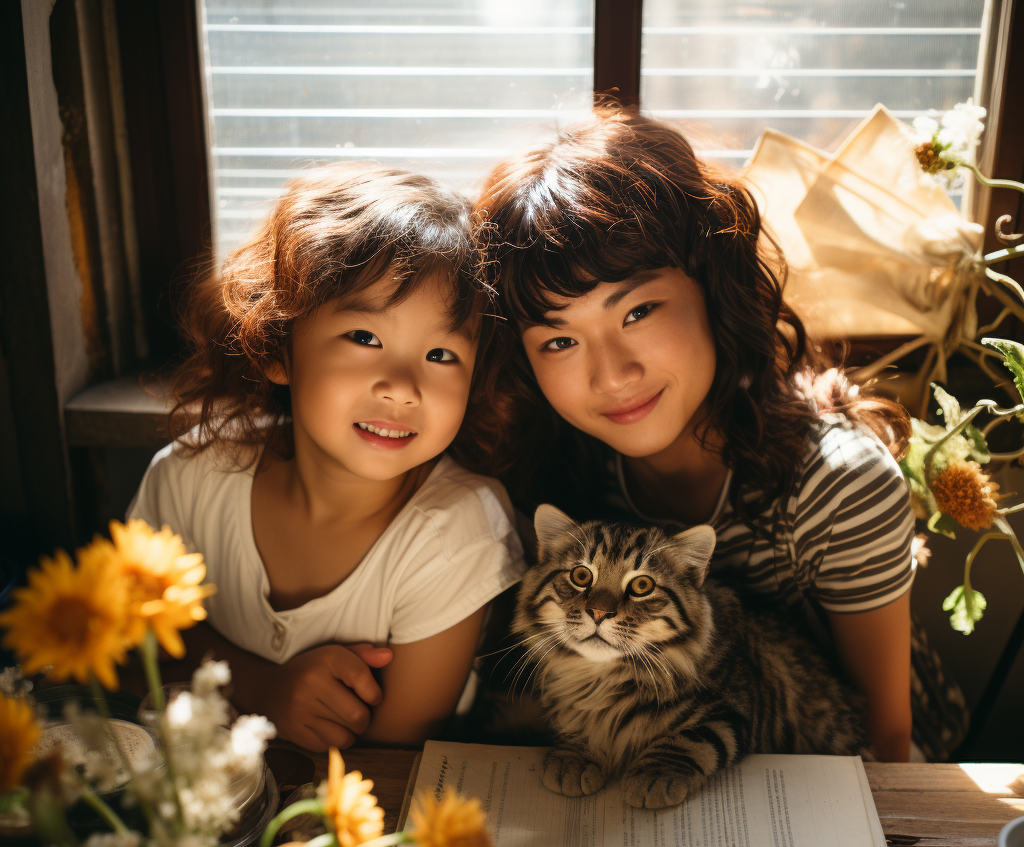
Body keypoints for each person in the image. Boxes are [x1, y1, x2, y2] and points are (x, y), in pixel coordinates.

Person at [463, 105, 966, 762]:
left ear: (714, 288)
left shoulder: (838, 486)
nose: (612, 375)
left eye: (638, 311)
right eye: (560, 339)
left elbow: (889, 745)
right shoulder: (549, 459)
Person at [128, 166, 525, 751]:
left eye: (441, 354)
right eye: (365, 338)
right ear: (276, 347)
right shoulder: (187, 478)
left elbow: (388, 765)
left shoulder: (455, 531)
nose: (402, 387)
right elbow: (124, 646)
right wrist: (262, 686)